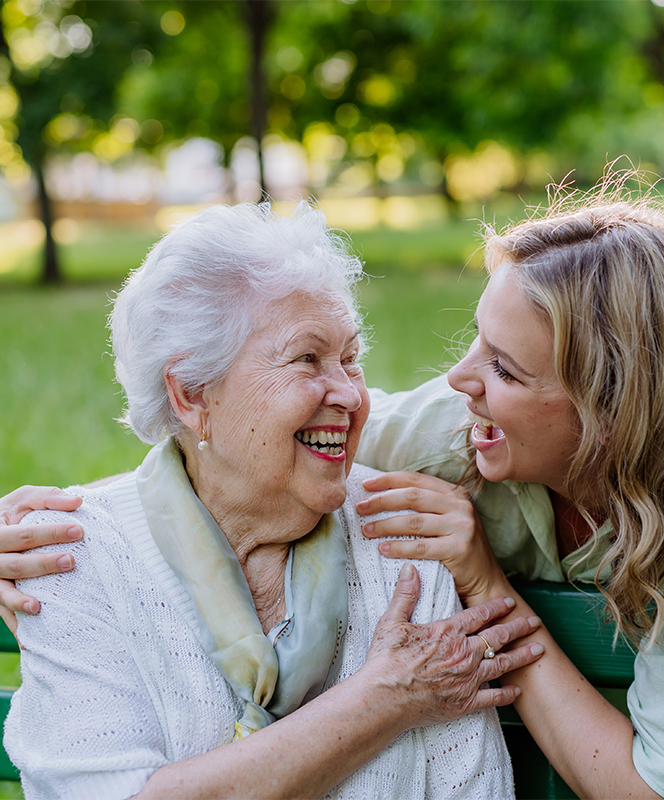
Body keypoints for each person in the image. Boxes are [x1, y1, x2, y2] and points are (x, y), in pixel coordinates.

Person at [3, 178, 664, 800]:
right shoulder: (445, 437)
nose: (458, 381)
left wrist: (482, 584)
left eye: (504, 369)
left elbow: (634, 788)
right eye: (309, 358)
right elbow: (229, 439)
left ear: (609, 412)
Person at [0, 201, 542, 800]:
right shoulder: (69, 557)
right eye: (307, 359)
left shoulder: (403, 535)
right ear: (191, 394)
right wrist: (384, 699)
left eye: (351, 359)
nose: (349, 394)